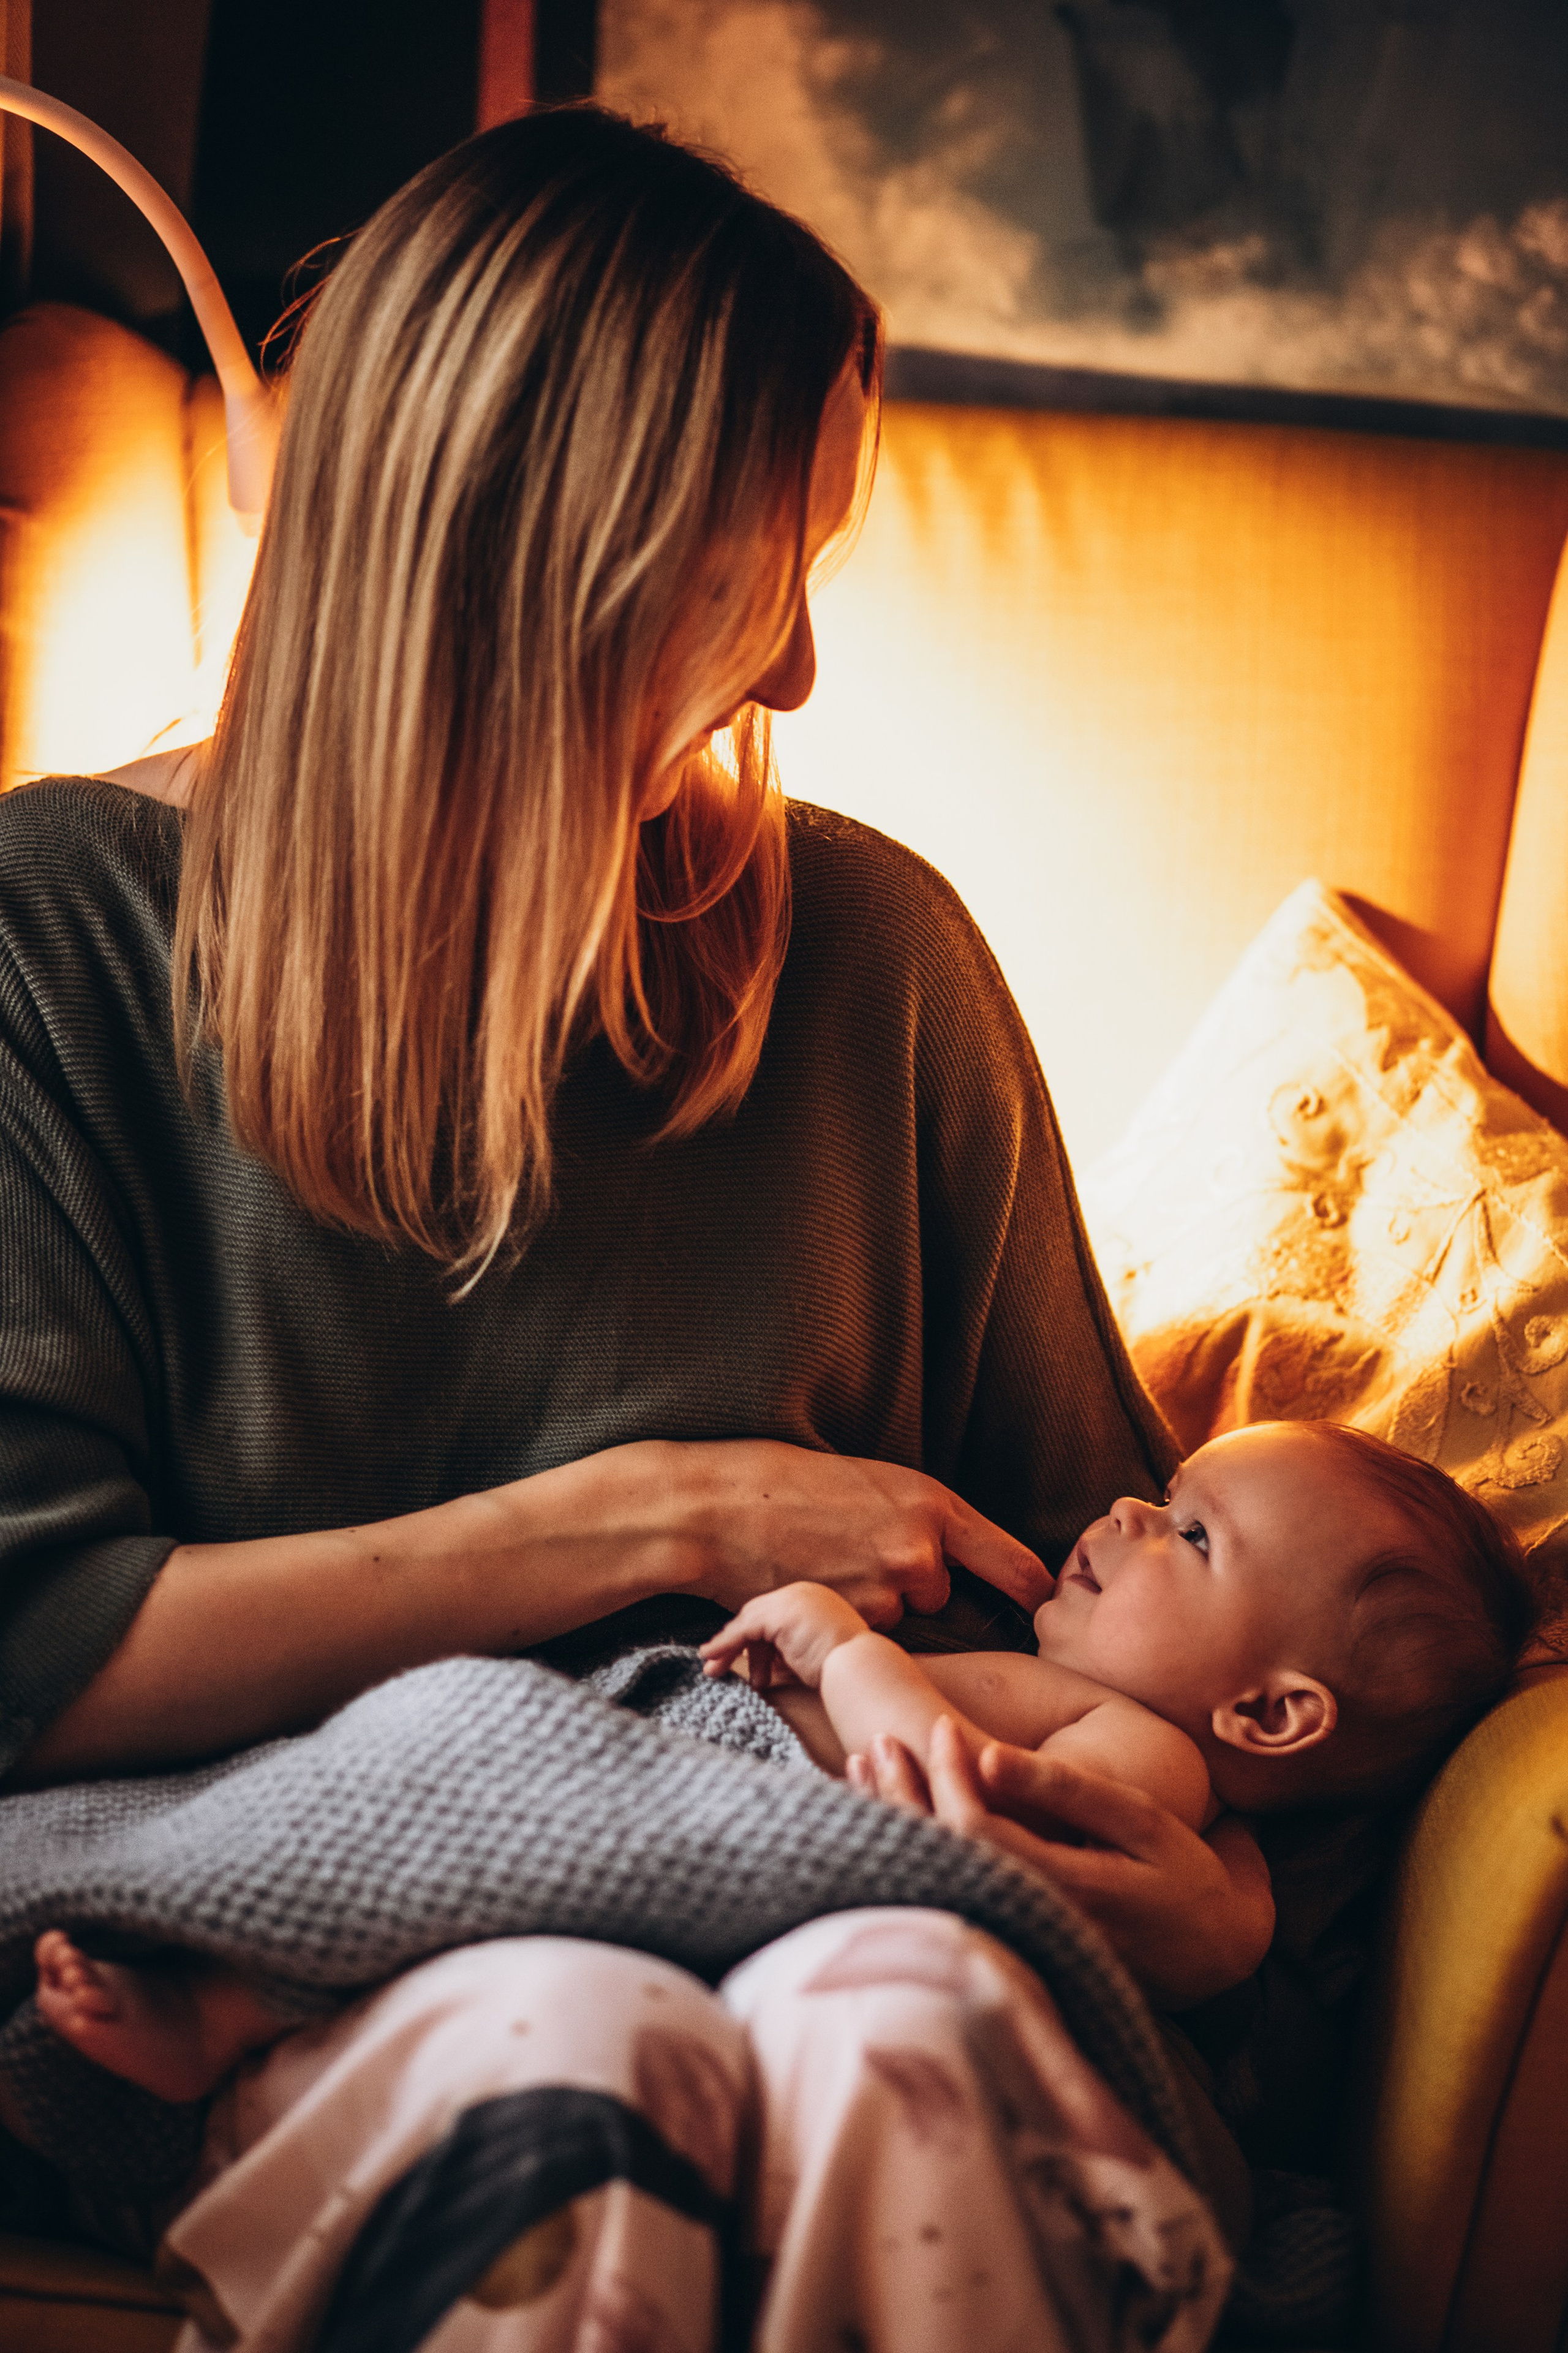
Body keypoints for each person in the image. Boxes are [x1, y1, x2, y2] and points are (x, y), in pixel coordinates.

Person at [0, 104, 1278, 2349]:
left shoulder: (880, 963)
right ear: (542, 565)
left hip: (844, 1932)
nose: (793, 676)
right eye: (756, 572)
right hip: (291, 1938)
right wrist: (653, 1519)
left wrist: (1216, 1901)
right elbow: (37, 1652)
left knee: (895, 2031)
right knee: (573, 2060)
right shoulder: (54, 949)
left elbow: (1115, 1600)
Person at [23, 1418, 1530, 2120]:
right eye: (1164, 1490)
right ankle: (239, 1992)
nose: (1132, 1509)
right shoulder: (1088, 1686)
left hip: (734, 1823)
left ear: (1268, 1717)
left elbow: (925, 1793)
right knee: (433, 1797)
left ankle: (230, 1992)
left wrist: (828, 1641)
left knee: (459, 1767)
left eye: (1191, 1536)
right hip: (682, 1767)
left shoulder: (1142, 1760)